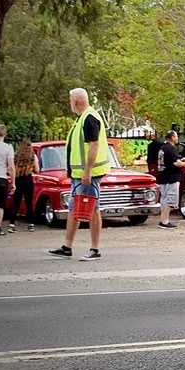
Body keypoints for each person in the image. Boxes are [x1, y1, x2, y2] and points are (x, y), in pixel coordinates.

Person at [48, 88, 110, 260]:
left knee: (92, 208)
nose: (70, 104)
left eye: (70, 100)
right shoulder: (83, 118)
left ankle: (94, 249)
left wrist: (87, 171)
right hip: (80, 174)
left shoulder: (89, 118)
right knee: (75, 208)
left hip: (88, 174)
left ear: (76, 101)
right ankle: (67, 247)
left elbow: (94, 145)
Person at [155, 130, 185, 229]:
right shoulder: (171, 148)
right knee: (170, 200)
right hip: (171, 177)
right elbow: (176, 163)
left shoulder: (162, 148)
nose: (177, 138)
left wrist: (180, 159)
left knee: (164, 199)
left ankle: (163, 220)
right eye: (176, 136)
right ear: (172, 137)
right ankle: (165, 222)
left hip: (163, 177)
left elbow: (170, 160)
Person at [12, 138, 37, 230]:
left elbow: (11, 168)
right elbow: (37, 169)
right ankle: (31, 224)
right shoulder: (33, 156)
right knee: (29, 202)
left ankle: (12, 224)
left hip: (18, 179)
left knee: (16, 202)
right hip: (28, 179)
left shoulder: (16, 156)